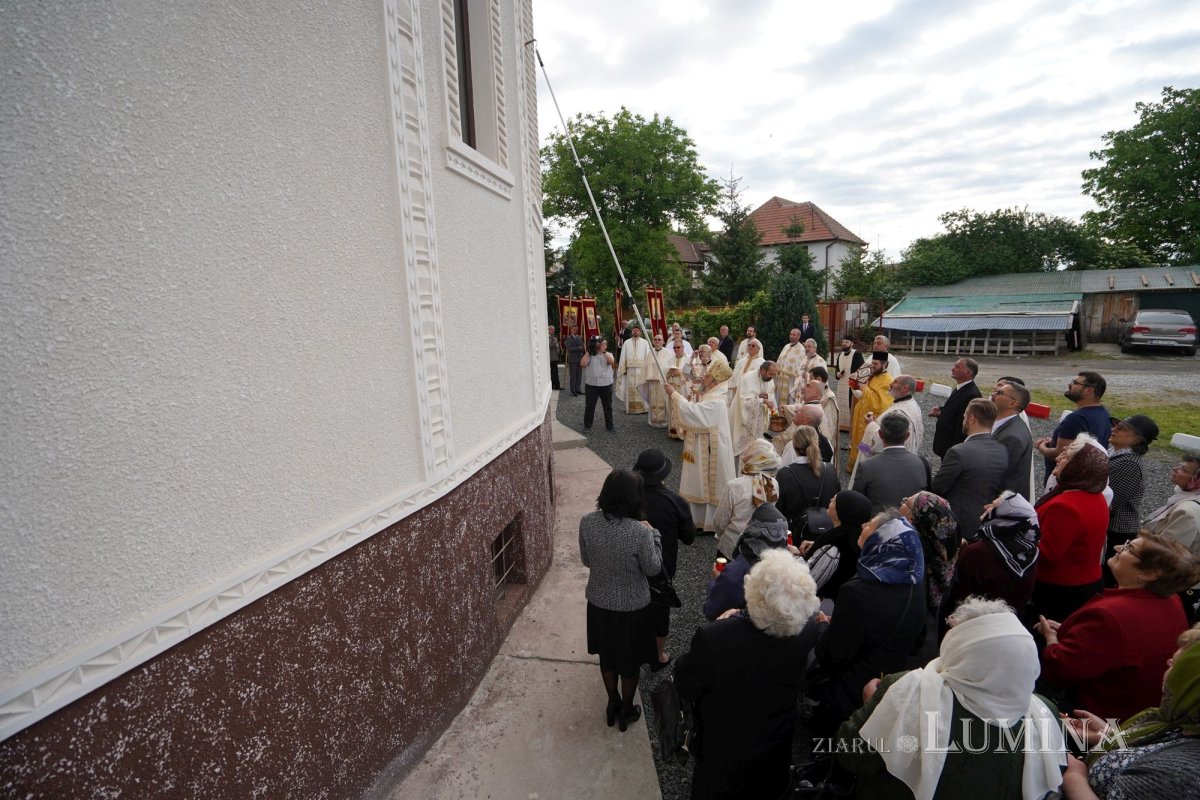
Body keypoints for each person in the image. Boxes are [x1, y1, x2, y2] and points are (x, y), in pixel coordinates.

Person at [837, 598, 1067, 800]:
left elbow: (851, 754)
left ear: (959, 648)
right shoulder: (1045, 713)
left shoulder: (907, 689)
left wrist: (874, 707)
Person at [676, 550, 822, 800]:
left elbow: (685, 682)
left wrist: (724, 623)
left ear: (752, 592)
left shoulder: (716, 638)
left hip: (722, 751)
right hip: (774, 752)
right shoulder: (807, 632)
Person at [1037, 531, 1199, 721]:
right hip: (1134, 710)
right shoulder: (1171, 600)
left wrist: (1052, 639)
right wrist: (1074, 633)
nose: (1117, 547)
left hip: (1093, 716)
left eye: (1129, 548)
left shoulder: (1109, 615)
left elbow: (1060, 668)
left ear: (1148, 574)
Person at [813, 511, 927, 734]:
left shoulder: (857, 591)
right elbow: (916, 641)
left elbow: (832, 654)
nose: (864, 524)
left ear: (882, 541)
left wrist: (823, 626)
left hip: (848, 694)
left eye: (871, 525)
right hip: (887, 686)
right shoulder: (915, 584)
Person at [1061, 624, 1200, 800]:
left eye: (1178, 666)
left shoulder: (1180, 774)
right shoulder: (1182, 721)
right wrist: (1111, 737)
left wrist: (1074, 775)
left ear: (1193, 686)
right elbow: (1155, 750)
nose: (1168, 662)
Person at [578, 469, 663, 731]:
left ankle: (611, 703)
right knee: (629, 661)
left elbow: (586, 561)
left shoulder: (587, 522)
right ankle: (627, 709)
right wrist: (656, 536)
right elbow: (653, 569)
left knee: (608, 656)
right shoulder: (641, 533)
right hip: (633, 606)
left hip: (599, 602)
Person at [1033, 433, 1111, 623]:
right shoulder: (1096, 496)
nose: (1058, 457)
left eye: (1066, 456)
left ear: (1080, 467)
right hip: (1085, 583)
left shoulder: (1065, 505)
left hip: (1059, 588)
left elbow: (1047, 554)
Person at [633, 448, 696, 668]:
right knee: (659, 608)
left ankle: (633, 648)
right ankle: (658, 656)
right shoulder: (675, 501)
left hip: (631, 562)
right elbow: (689, 537)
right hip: (662, 565)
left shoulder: (628, 497)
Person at [944, 491, 1040, 626]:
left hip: (971, 625)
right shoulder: (1030, 551)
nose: (986, 507)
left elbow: (954, 592)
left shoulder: (977, 552)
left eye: (994, 506)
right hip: (1013, 625)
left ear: (1007, 515)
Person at [666, 360, 737, 531]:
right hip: (703, 443)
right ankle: (698, 519)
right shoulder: (712, 394)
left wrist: (674, 395)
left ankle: (709, 522)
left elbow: (695, 414)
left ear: (715, 381)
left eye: (707, 376)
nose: (703, 378)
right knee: (698, 481)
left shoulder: (717, 400)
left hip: (711, 449)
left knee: (708, 483)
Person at [931, 398, 1009, 541]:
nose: (963, 420)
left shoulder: (959, 452)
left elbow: (938, 487)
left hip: (955, 523)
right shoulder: (1002, 450)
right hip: (983, 520)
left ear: (971, 419)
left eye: (964, 417)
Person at [702, 502, 789, 620]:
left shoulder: (737, 570)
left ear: (753, 528)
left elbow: (712, 611)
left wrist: (716, 581)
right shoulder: (790, 567)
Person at [1036, 371, 1112, 486]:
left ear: (1089, 390)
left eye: (1075, 382)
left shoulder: (1076, 419)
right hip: (1085, 480)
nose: (1069, 385)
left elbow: (1059, 454)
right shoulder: (1103, 413)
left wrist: (1041, 446)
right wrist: (1054, 440)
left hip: (1064, 483)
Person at [1105, 414, 1158, 573]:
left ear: (1137, 440)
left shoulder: (1129, 464)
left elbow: (1110, 503)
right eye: (1115, 425)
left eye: (1122, 428)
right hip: (1112, 526)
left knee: (1107, 571)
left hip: (1115, 530)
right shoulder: (1119, 456)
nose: (1114, 429)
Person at [848, 375, 924, 485]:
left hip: (888, 465)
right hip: (905, 460)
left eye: (895, 382)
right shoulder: (912, 404)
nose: (890, 384)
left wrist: (871, 425)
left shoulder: (898, 413)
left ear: (904, 388)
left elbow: (883, 441)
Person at [714, 438, 781, 559]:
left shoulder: (734, 486)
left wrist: (720, 536)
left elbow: (720, 520)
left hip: (732, 544)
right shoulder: (773, 484)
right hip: (760, 547)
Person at [902, 490, 961, 624]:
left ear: (915, 518)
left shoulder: (913, 559)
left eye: (906, 502)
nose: (902, 503)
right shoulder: (946, 560)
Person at [804, 490, 873, 600]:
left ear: (839, 513)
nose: (830, 500)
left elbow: (807, 582)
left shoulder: (836, 544)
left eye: (834, 501)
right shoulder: (855, 537)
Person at [855, 414, 931, 510]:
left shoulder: (867, 466)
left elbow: (856, 502)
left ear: (880, 434)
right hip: (910, 523)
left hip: (878, 523)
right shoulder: (923, 464)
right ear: (907, 436)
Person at [776, 425, 841, 536]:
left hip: (796, 535)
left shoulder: (784, 474)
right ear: (816, 442)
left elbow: (779, 511)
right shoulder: (830, 469)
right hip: (826, 533)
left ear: (793, 445)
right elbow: (837, 500)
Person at [847, 351, 894, 471]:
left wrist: (864, 388)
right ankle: (854, 467)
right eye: (872, 363)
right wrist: (855, 384)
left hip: (871, 421)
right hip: (861, 417)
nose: (872, 366)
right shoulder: (872, 375)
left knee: (866, 447)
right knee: (857, 441)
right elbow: (862, 392)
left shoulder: (888, 380)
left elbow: (880, 404)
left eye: (876, 364)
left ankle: (864, 468)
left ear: (885, 364)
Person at [931, 357, 983, 459]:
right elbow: (956, 412)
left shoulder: (971, 394)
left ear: (968, 372)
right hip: (945, 445)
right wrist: (942, 412)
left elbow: (963, 426)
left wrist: (955, 452)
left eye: (957, 367)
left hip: (952, 448)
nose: (952, 369)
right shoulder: (960, 388)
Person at [991, 380, 1035, 501]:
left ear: (1012, 403)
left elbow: (996, 475)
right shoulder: (1007, 424)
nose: (994, 394)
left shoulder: (1012, 437)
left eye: (1000, 392)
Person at [728, 360, 778, 459]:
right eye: (771, 374)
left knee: (757, 448)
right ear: (763, 370)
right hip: (744, 420)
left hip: (759, 419)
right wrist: (762, 400)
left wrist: (771, 404)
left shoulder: (769, 380)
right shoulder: (748, 378)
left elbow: (771, 395)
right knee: (745, 452)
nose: (772, 377)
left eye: (774, 374)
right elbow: (744, 402)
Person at [580, 335, 616, 433]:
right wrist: (589, 350)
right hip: (591, 385)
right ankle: (587, 426)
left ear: (606, 346)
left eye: (602, 343)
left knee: (608, 406)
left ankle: (610, 426)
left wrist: (603, 351)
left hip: (606, 384)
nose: (600, 345)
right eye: (598, 343)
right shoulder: (590, 354)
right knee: (590, 406)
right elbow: (582, 364)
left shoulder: (608, 354)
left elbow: (611, 361)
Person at [615, 326, 650, 414]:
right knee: (630, 387)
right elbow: (623, 356)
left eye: (637, 330)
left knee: (641, 387)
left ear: (640, 332)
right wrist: (623, 368)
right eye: (634, 330)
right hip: (629, 370)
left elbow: (648, 356)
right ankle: (630, 408)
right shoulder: (626, 342)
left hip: (641, 370)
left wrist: (647, 369)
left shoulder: (645, 342)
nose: (636, 332)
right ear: (632, 332)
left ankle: (643, 408)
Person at [662, 339, 691, 439]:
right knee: (672, 407)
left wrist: (681, 373)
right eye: (674, 347)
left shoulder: (689, 358)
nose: (676, 349)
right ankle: (673, 430)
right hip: (672, 386)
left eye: (678, 347)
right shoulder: (670, 359)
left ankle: (684, 432)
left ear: (683, 347)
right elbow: (664, 370)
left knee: (682, 408)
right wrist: (669, 372)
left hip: (683, 388)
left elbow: (692, 373)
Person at [833, 337, 864, 423]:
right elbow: (837, 369)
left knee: (850, 404)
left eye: (847, 342)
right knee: (840, 403)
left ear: (851, 344)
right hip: (841, 384)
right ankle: (841, 423)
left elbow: (862, 370)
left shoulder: (857, 354)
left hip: (851, 385)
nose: (844, 343)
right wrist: (837, 374)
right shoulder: (840, 355)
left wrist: (855, 377)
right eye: (843, 342)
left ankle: (850, 424)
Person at [775, 328, 807, 407]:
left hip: (791, 380)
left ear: (799, 336)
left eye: (794, 335)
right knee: (778, 397)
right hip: (781, 377)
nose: (791, 336)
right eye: (791, 334)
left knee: (789, 399)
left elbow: (801, 366)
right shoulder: (786, 346)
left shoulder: (801, 349)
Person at [643, 334, 668, 429]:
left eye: (659, 339)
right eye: (656, 339)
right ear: (653, 341)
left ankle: (663, 421)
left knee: (662, 401)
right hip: (652, 381)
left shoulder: (668, 353)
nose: (657, 341)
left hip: (662, 382)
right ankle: (653, 420)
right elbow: (646, 366)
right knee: (653, 400)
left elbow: (669, 366)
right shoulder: (650, 353)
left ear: (663, 342)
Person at [565, 325, 585, 395]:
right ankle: (573, 390)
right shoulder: (568, 338)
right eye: (574, 329)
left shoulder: (579, 337)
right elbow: (569, 349)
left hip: (580, 359)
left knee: (579, 376)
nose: (575, 331)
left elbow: (582, 347)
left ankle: (578, 389)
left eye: (576, 329)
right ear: (571, 330)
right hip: (573, 360)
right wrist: (578, 348)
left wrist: (581, 348)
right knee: (573, 376)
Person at [548, 325, 562, 390]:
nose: (553, 331)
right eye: (552, 329)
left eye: (553, 329)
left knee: (556, 372)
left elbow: (556, 346)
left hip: (555, 357)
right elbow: (549, 346)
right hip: (551, 358)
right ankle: (554, 385)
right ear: (548, 330)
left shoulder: (553, 337)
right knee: (553, 372)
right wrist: (555, 342)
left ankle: (557, 385)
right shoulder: (547, 337)